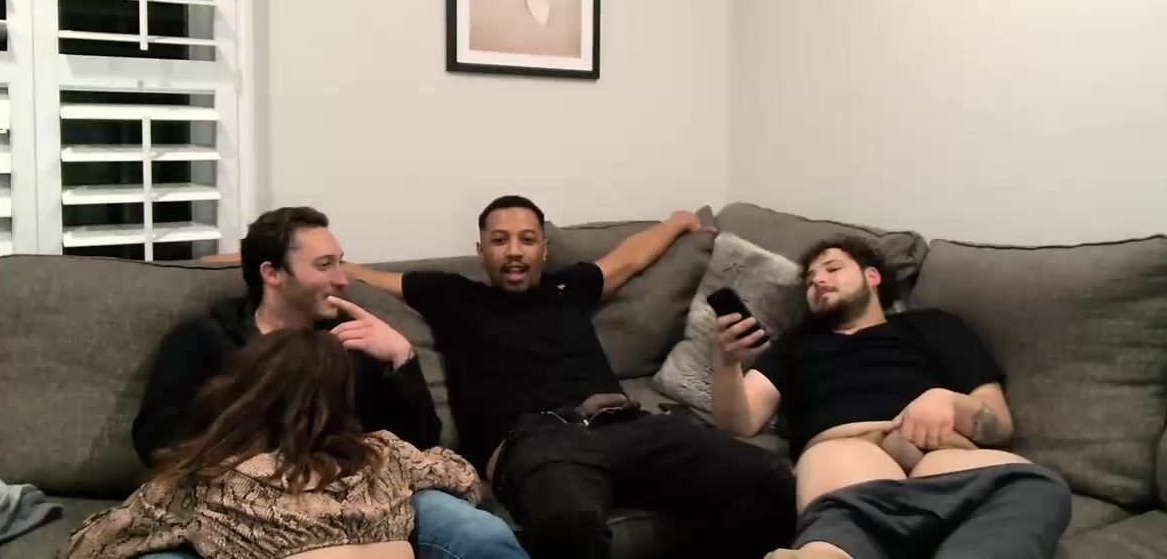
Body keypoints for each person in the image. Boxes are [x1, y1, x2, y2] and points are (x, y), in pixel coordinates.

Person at [345, 195, 797, 559]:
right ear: (481, 251)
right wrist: (325, 266)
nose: (514, 250)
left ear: (544, 248)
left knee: (769, 479)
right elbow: (361, 277)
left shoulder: (569, 287)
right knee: (569, 528)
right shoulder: (449, 293)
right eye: (500, 240)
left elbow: (629, 259)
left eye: (527, 239)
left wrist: (678, 222)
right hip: (534, 441)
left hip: (626, 424)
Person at [135, 207, 526, 559]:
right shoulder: (205, 339)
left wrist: (401, 359)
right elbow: (156, 438)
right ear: (272, 274)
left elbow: (418, 443)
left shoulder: (354, 339)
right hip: (240, 500)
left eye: (340, 262)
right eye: (324, 266)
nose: (342, 279)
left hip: (360, 494)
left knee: (481, 535)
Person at [710, 235, 1072, 559]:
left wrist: (948, 401)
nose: (818, 280)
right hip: (848, 452)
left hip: (938, 452)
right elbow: (740, 423)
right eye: (810, 280)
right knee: (843, 524)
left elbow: (999, 425)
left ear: (872, 276)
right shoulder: (796, 344)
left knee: (1034, 485)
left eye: (833, 268)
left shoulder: (933, 325)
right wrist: (727, 363)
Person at [68, 327, 481, 559]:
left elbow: (95, 543)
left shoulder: (215, 479)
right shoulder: (387, 456)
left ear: (250, 390)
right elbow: (463, 476)